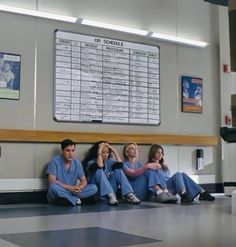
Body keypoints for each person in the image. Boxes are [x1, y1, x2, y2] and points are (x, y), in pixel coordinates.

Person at [147, 144, 215, 204]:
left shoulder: (164, 166)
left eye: (161, 152)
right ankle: (184, 194)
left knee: (182, 174)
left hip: (169, 188)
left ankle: (201, 192)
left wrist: (163, 167)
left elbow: (167, 178)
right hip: (162, 191)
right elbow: (156, 181)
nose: (160, 154)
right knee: (178, 174)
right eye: (158, 152)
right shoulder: (149, 166)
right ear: (153, 153)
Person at [82, 141, 141, 205]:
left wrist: (113, 150)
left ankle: (129, 195)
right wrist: (99, 151)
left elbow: (120, 165)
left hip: (111, 196)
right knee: (99, 171)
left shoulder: (109, 161)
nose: (105, 155)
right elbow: (100, 166)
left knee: (118, 170)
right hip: (98, 193)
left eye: (107, 152)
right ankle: (110, 195)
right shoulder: (90, 162)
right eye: (103, 152)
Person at [45, 139, 98, 206]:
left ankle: (70, 199)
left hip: (73, 192)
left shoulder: (77, 163)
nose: (71, 153)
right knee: (54, 187)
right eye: (68, 150)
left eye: (73, 150)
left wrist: (81, 187)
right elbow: (52, 181)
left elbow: (84, 180)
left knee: (94, 187)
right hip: (61, 191)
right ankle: (76, 200)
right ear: (62, 150)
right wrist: (70, 187)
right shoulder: (54, 161)